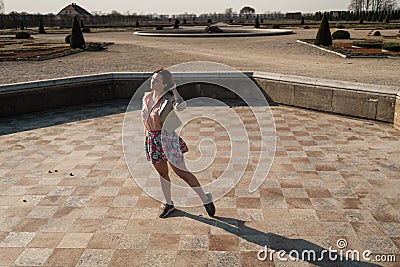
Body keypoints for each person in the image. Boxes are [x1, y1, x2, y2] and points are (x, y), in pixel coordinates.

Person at [141, 68, 216, 218]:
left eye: (156, 80)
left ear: (164, 84)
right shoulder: (146, 97)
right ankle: (169, 203)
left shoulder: (168, 99)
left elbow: (181, 107)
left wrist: (175, 91)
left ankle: (205, 198)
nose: (152, 81)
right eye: (152, 79)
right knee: (162, 174)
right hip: (153, 139)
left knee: (182, 173)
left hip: (167, 140)